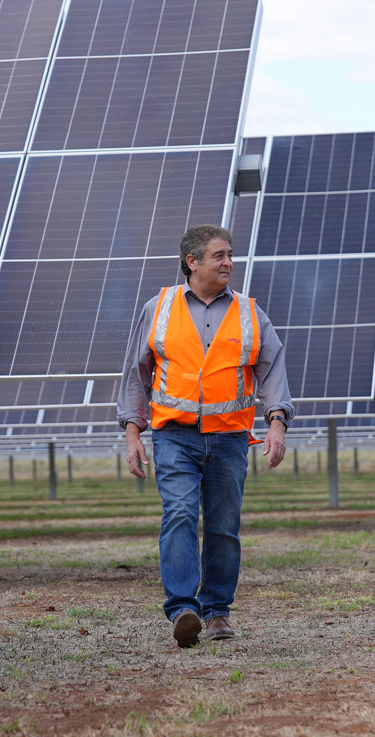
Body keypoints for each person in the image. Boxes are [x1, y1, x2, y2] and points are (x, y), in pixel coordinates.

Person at [117, 224, 293, 648]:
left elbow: (271, 371)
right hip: (174, 435)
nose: (228, 263)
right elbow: (136, 376)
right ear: (192, 262)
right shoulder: (157, 307)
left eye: (230, 255)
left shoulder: (251, 312)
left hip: (231, 439)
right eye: (219, 255)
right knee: (178, 513)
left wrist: (276, 424)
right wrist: (132, 433)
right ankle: (183, 609)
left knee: (223, 526)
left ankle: (216, 612)